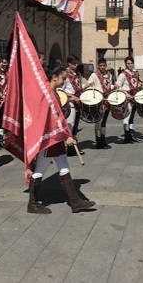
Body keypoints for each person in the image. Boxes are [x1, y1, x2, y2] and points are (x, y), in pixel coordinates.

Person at [27, 66, 96, 214]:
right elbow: (52, 119)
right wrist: (66, 136)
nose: (65, 81)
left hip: (55, 137)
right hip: (49, 138)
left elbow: (58, 116)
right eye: (63, 78)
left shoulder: (55, 93)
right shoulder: (47, 94)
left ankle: (75, 202)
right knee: (40, 170)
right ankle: (32, 203)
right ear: (54, 77)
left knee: (63, 166)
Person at [63, 55, 90, 155]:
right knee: (70, 124)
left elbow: (77, 86)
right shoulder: (65, 74)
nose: (76, 65)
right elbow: (61, 90)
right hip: (70, 103)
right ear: (69, 63)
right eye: (74, 63)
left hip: (78, 102)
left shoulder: (76, 73)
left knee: (75, 126)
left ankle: (74, 147)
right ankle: (69, 147)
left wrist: (86, 85)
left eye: (77, 63)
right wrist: (72, 97)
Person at [88, 58, 116, 149]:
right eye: (100, 65)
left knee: (104, 122)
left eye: (104, 65)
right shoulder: (94, 75)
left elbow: (109, 85)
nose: (102, 67)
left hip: (107, 100)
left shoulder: (109, 74)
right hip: (99, 101)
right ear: (98, 66)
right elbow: (89, 86)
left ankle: (103, 140)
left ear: (106, 65)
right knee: (98, 122)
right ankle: (98, 141)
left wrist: (113, 86)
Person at [116, 56, 143, 143]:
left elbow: (138, 82)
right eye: (128, 63)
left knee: (132, 117)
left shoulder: (135, 73)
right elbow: (117, 86)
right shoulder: (123, 74)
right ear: (126, 64)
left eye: (131, 63)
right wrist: (126, 93)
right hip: (127, 98)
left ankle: (131, 135)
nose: (130, 65)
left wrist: (140, 84)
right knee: (127, 117)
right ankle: (127, 136)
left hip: (134, 97)